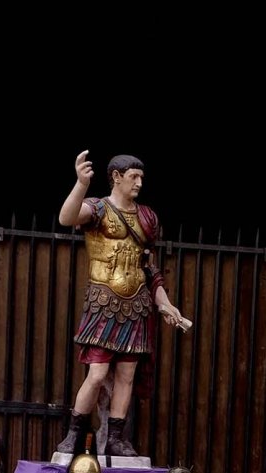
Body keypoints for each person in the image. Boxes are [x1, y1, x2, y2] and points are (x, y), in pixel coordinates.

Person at [55, 151, 192, 457]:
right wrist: (80, 184)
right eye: (134, 176)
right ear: (116, 177)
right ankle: (75, 432)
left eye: (141, 177)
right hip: (104, 301)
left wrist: (165, 304)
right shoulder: (98, 209)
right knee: (98, 373)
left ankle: (116, 436)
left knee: (127, 376)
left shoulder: (147, 217)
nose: (139, 183)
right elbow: (66, 218)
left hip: (138, 305)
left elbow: (149, 268)